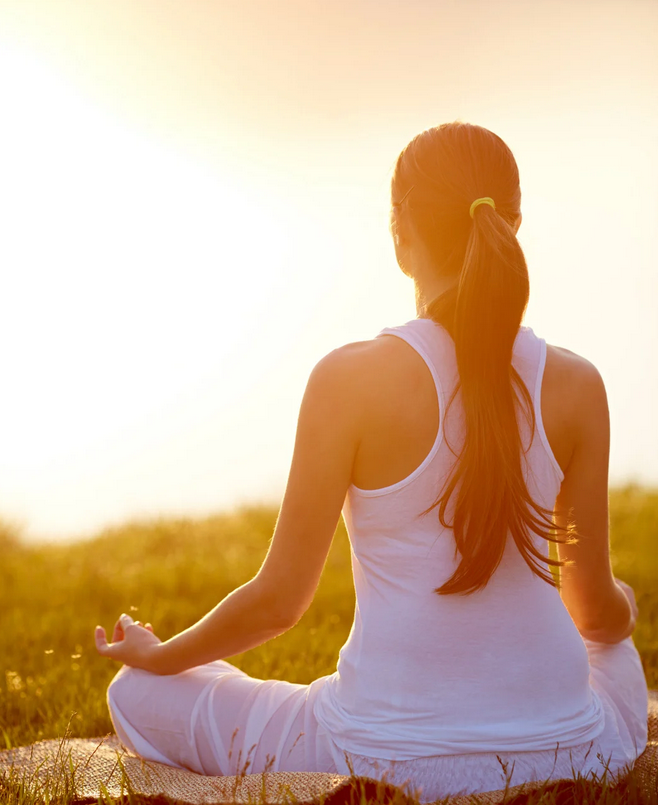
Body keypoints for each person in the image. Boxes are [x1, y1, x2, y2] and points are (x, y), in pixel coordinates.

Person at [95, 121, 648, 801]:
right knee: (612, 655)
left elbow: (277, 603)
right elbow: (595, 613)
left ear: (400, 234)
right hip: (568, 748)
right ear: (515, 222)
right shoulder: (578, 383)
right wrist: (624, 607)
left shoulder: (349, 379)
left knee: (136, 691)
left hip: (377, 755)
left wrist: (159, 653)